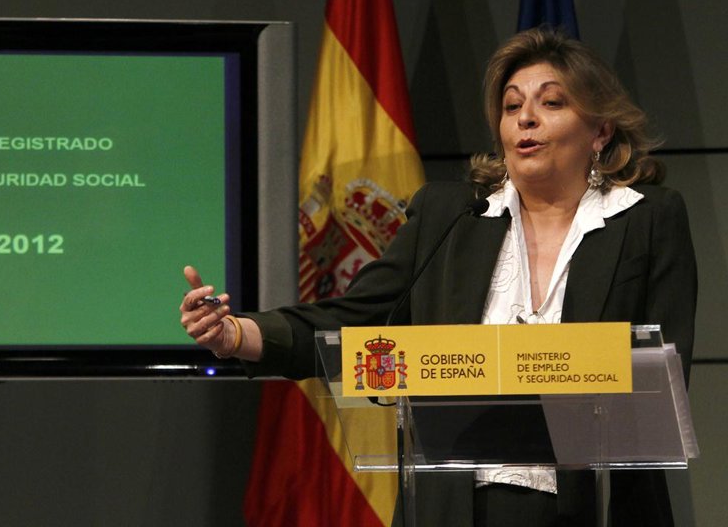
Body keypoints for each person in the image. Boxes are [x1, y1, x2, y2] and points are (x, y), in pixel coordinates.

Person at [180, 27, 698, 527]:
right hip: (454, 508)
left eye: (551, 102)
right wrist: (238, 333)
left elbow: (663, 378)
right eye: (512, 106)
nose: (526, 119)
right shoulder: (451, 217)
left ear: (600, 131)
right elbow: (354, 322)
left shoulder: (648, 221)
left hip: (594, 506)